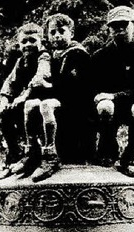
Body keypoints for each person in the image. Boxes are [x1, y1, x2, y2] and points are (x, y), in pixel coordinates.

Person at [91, 5, 134, 177]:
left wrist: (115, 95)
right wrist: (103, 97)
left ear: (133, 24)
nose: (119, 29)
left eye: (124, 24)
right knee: (104, 106)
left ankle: (128, 157)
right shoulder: (100, 56)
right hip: (108, 109)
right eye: (114, 26)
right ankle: (107, 151)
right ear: (109, 28)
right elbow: (93, 86)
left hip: (132, 105)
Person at [30, 13, 94, 182]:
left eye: (61, 31)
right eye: (52, 32)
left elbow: (76, 87)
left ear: (71, 33)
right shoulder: (52, 55)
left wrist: (48, 86)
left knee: (46, 105)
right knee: (31, 105)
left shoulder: (78, 54)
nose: (57, 35)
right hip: (61, 102)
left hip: (77, 106)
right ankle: (31, 152)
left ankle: (50, 156)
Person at [0, 23, 53, 178]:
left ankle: (38, 154)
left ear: (41, 41)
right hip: (28, 102)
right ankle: (14, 156)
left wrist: (24, 95)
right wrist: (4, 100)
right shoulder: (21, 62)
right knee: (4, 114)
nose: (28, 45)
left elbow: (40, 76)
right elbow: (10, 83)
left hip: (46, 101)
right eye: (24, 42)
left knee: (31, 107)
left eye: (32, 40)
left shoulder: (44, 56)